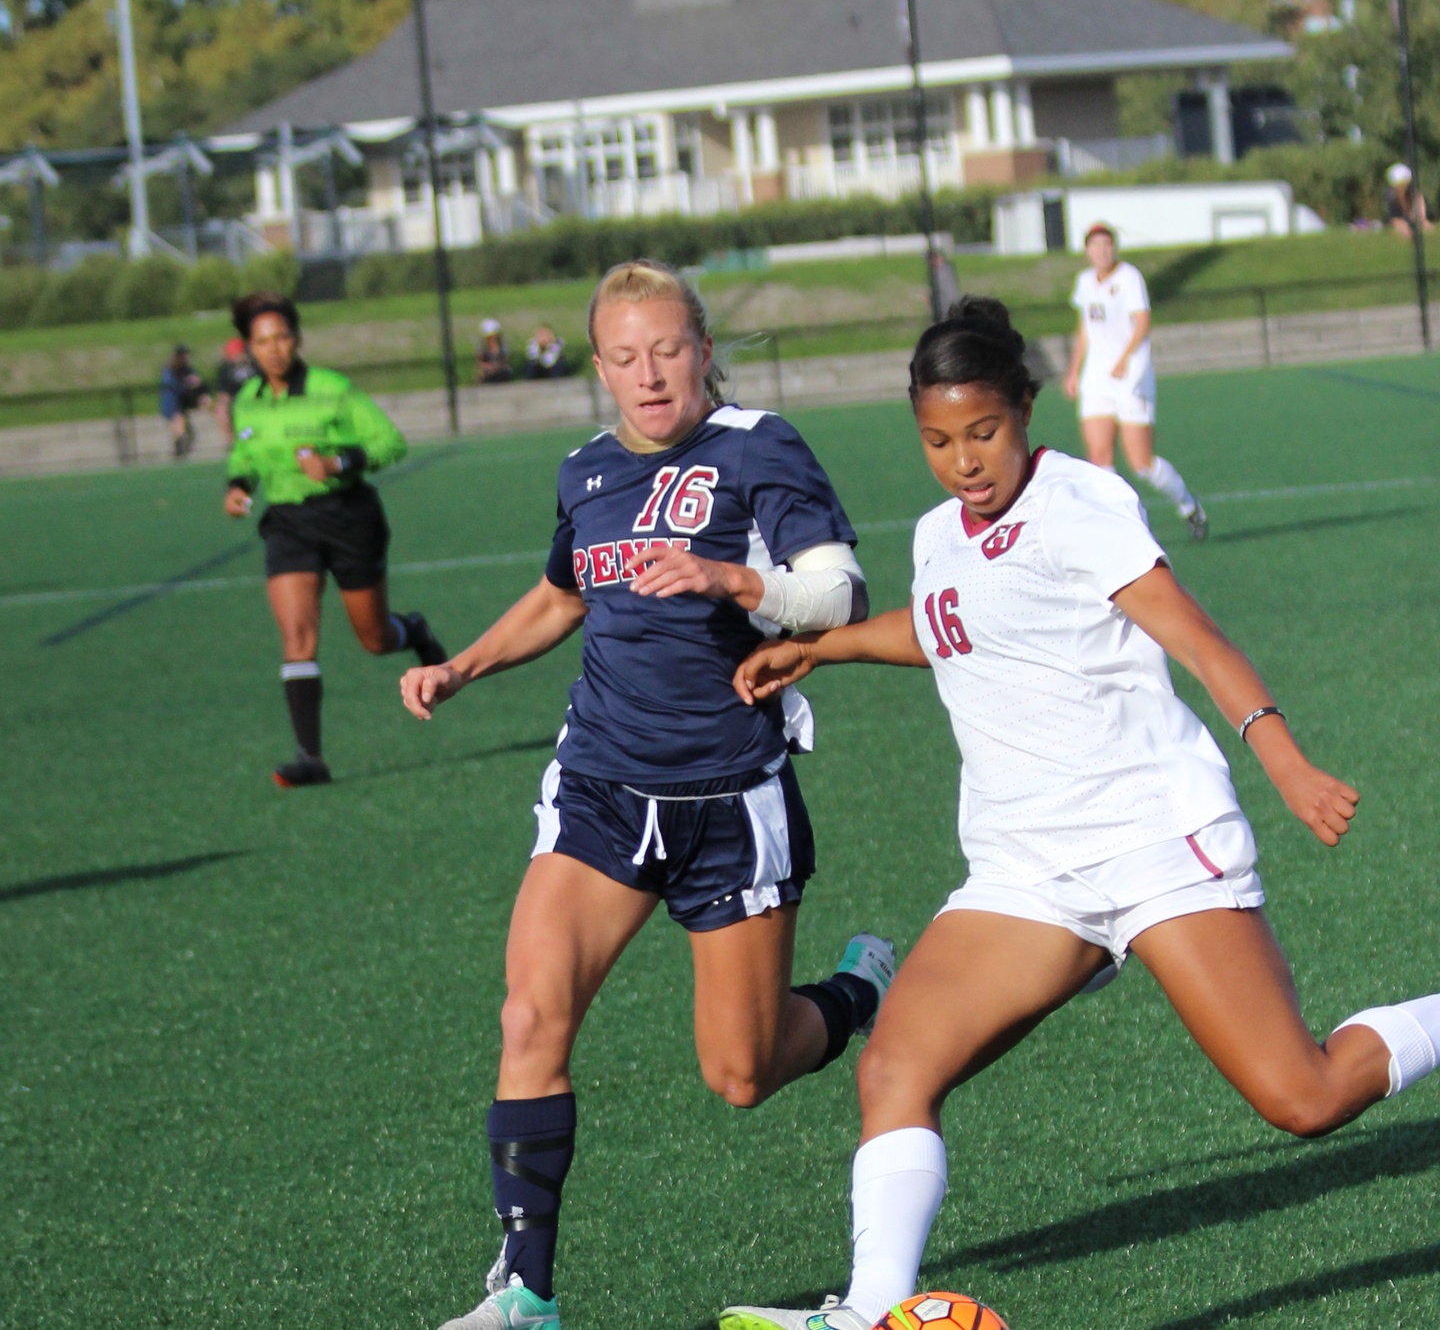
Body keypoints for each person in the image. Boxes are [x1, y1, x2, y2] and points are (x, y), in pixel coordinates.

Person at [718, 298, 1438, 1330]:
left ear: (1023, 406)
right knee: (894, 1065)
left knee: (1303, 1098)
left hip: (1150, 838)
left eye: (982, 432)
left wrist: (1282, 759)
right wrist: (819, 645)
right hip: (1024, 868)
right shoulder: (936, 535)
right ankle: (871, 1310)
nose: (963, 460)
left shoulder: (1078, 501)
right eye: (935, 439)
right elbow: (948, 628)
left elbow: (1194, 638)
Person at [400, 260, 893, 1330]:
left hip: (730, 799)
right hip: (600, 788)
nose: (648, 374)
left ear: (703, 348)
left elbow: (839, 590)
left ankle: (859, 994)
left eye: (667, 349)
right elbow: (559, 592)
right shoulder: (583, 471)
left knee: (742, 1072)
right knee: (529, 1010)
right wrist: (464, 667)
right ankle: (525, 1291)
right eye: (624, 357)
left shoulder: (758, 447)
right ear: (598, 369)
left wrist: (730, 580)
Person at [224, 290, 450, 788]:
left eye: (283, 337)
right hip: (287, 523)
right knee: (297, 637)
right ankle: (311, 757)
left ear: (297, 338)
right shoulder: (247, 402)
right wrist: (238, 487)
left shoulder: (332, 388)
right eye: (263, 341)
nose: (275, 348)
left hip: (349, 517)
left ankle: (412, 631)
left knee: (374, 639)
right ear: (249, 348)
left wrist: (337, 462)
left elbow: (390, 441)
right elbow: (243, 458)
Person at [1060, 223, 1207, 541]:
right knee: (1100, 459)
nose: (1102, 251)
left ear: (1115, 248)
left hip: (1131, 379)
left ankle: (1188, 504)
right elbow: (1085, 328)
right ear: (1087, 250)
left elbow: (1142, 321)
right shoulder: (1084, 282)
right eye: (1095, 245)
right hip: (1096, 380)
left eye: (1107, 245)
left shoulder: (1129, 278)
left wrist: (1124, 358)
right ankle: (1127, 528)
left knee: (1141, 463)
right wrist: (1073, 370)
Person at [160, 344, 210, 460]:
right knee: (180, 431)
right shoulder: (170, 370)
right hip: (173, 404)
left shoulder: (188, 369)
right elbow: (172, 386)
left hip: (182, 404)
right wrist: (187, 383)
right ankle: (178, 454)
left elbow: (199, 381)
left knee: (188, 433)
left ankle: (180, 454)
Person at [212, 336, 256, 444]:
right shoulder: (226, 369)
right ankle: (232, 442)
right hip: (236, 401)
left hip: (256, 399)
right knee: (221, 409)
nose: (235, 357)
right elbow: (223, 392)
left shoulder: (256, 365)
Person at [1385, 161, 1431, 239]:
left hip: (1411, 214)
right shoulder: (1391, 196)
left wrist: (1421, 217)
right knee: (1405, 230)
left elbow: (1419, 202)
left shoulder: (1414, 192)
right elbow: (1395, 218)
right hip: (1399, 217)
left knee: (1426, 226)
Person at [475, 318, 514, 384]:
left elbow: (506, 359)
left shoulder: (502, 344)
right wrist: (488, 367)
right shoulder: (483, 345)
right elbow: (480, 361)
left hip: (501, 369)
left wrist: (498, 366)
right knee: (483, 377)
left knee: (504, 374)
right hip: (488, 371)